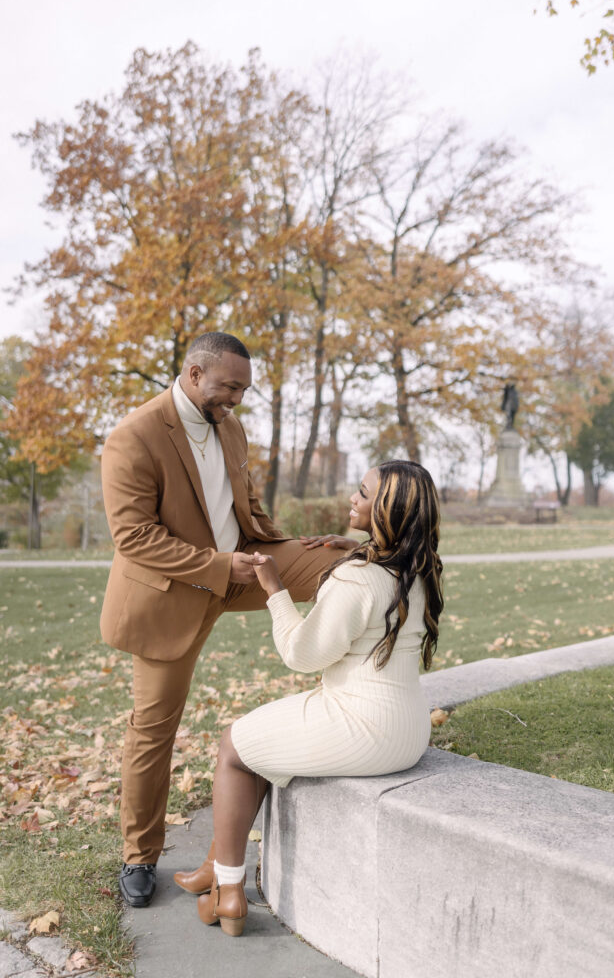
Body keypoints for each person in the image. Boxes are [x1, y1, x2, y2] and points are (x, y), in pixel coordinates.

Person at [100, 332, 341, 908]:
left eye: (242, 389)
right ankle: (139, 856)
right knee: (153, 729)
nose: (236, 400)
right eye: (229, 387)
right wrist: (217, 565)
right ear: (192, 374)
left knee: (346, 562)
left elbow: (245, 506)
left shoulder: (230, 426)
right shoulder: (132, 437)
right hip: (171, 596)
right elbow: (133, 538)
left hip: (243, 567)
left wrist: (292, 545)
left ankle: (358, 704)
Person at [173, 459, 444, 937]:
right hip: (408, 730)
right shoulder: (419, 567)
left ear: (386, 510)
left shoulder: (357, 578)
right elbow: (374, 590)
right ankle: (215, 865)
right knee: (263, 739)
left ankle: (229, 891)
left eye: (363, 494)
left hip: (363, 729)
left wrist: (275, 589)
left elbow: (302, 655)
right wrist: (359, 549)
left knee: (234, 746)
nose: (353, 498)